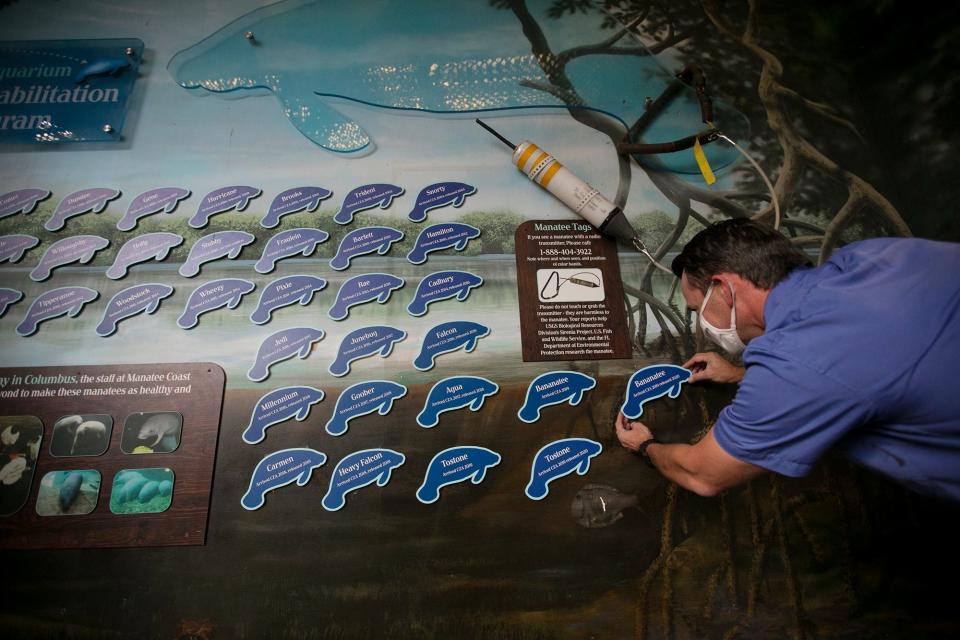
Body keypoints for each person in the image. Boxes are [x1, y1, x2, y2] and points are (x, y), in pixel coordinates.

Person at [615, 219, 960, 502]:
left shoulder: (796, 357)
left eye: (697, 309)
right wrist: (741, 375)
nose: (701, 324)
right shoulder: (876, 255)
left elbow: (703, 474)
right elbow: (868, 366)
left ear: (723, 288)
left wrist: (646, 446)